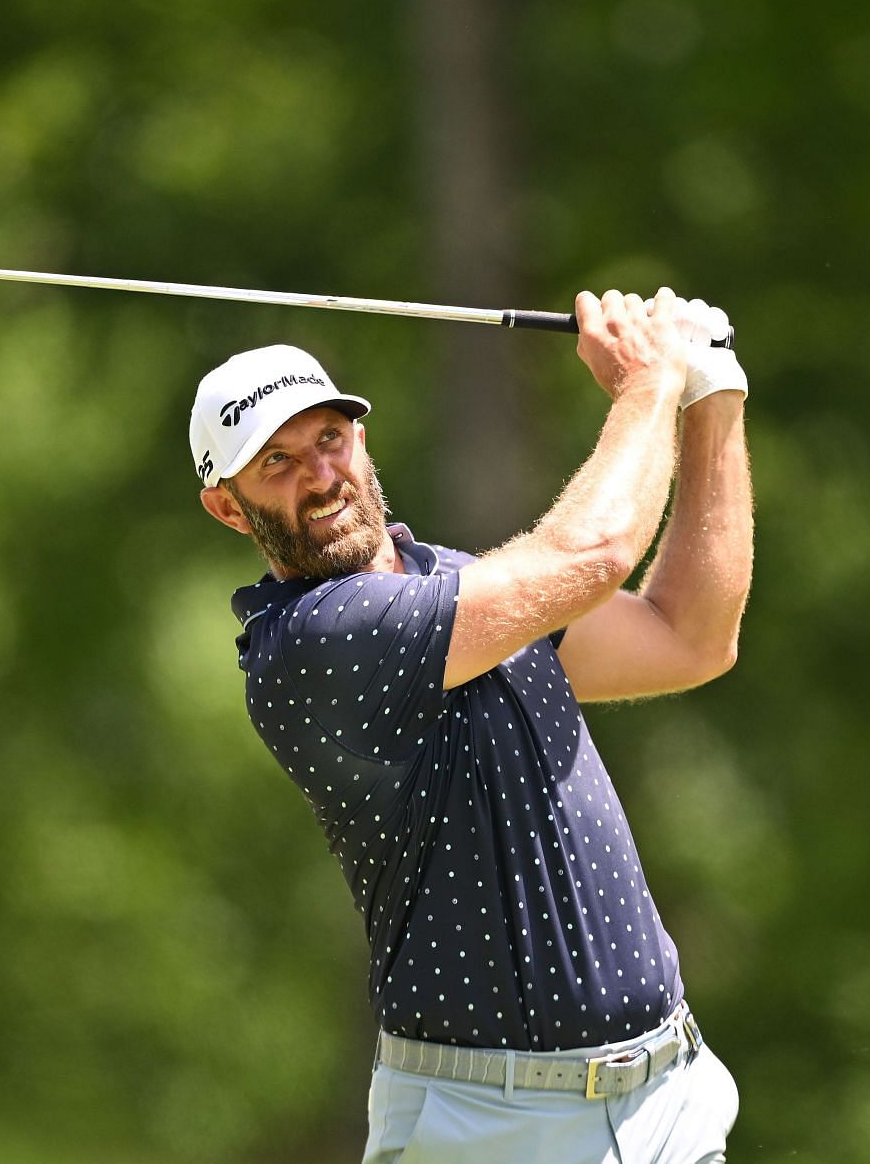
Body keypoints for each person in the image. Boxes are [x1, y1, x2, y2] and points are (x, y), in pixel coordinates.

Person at [188, 288, 752, 1164]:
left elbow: (691, 637)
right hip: (489, 1129)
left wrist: (710, 389)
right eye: (276, 462)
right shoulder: (311, 642)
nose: (320, 475)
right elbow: (594, 555)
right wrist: (648, 384)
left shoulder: (456, 586)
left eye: (328, 439)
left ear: (360, 439)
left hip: (668, 1108)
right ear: (229, 507)